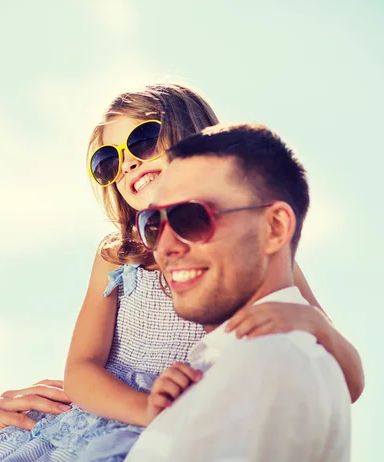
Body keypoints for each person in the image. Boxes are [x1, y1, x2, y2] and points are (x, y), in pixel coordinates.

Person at [0, 84, 363, 461]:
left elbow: (348, 381)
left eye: (142, 140)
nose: (129, 163)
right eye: (108, 161)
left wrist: (316, 326)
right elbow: (81, 368)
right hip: (116, 417)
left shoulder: (254, 246)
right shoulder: (117, 257)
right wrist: (148, 409)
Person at [126, 123, 352, 461]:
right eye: (154, 225)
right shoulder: (220, 373)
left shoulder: (271, 362)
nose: (165, 247)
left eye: (192, 217)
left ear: (274, 228)